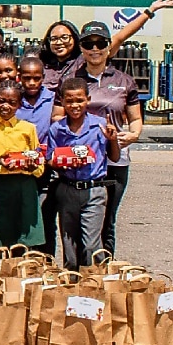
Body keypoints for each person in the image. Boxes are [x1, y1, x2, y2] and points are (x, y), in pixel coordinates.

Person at [49, 21, 143, 257]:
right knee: (75, 225)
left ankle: (104, 271)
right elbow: (58, 115)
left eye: (100, 43)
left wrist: (133, 134)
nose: (94, 49)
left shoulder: (123, 80)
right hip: (79, 159)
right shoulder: (72, 79)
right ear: (81, 48)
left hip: (114, 158)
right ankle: (80, 271)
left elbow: (135, 118)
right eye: (88, 44)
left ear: (108, 46)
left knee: (106, 219)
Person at [46, 77, 119, 270]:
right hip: (67, 188)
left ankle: (93, 281)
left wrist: (113, 140)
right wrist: (64, 161)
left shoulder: (100, 126)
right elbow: (50, 159)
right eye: (69, 101)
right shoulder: (57, 129)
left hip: (94, 189)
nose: (74, 105)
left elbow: (115, 157)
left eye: (79, 100)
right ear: (62, 101)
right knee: (69, 242)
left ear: (88, 99)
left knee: (91, 244)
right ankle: (71, 282)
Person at [38, 0, 173, 89]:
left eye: (64, 37)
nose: (59, 43)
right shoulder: (41, 65)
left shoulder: (85, 59)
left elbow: (120, 37)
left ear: (76, 40)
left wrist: (149, 12)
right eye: (54, 39)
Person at [0, 80, 44, 249]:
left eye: (12, 103)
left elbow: (39, 165)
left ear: (20, 105)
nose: (6, 106)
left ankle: (21, 273)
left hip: (24, 187)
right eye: (2, 101)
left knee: (24, 242)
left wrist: (31, 167)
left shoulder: (28, 129)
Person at [17, 54, 58, 254]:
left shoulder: (53, 100)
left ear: (43, 77)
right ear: (19, 77)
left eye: (36, 78)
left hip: (46, 170)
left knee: (45, 219)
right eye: (26, 78)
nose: (31, 83)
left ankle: (46, 263)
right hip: (18, 169)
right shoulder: (13, 100)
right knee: (20, 220)